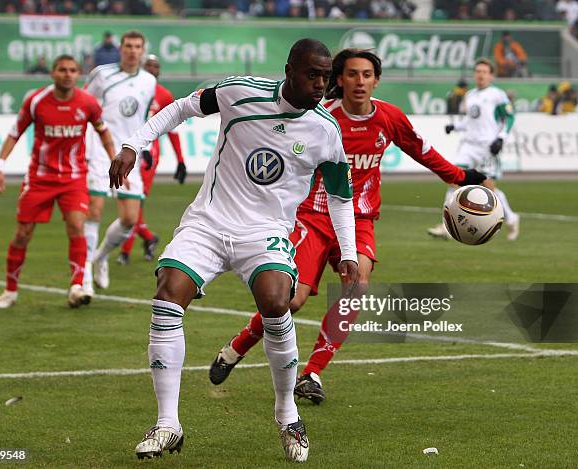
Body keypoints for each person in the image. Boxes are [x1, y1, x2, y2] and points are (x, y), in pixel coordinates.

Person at [109, 38, 359, 463]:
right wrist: (135, 143)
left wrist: (348, 253)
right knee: (167, 297)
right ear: (289, 70)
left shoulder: (325, 131)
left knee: (277, 302)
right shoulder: (239, 92)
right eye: (312, 74)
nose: (321, 84)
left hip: (265, 232)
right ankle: (168, 424)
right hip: (208, 221)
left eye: (325, 76)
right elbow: (182, 108)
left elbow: (339, 197)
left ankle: (287, 412)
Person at [207, 49, 486, 404]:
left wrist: (463, 178)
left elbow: (421, 150)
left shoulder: (389, 117)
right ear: (339, 79)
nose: (360, 82)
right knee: (292, 301)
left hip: (359, 218)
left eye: (367, 75)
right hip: (313, 215)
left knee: (356, 288)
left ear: (376, 80)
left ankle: (312, 373)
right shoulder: (322, 117)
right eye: (352, 74)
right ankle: (237, 346)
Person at [0, 55, 115, 309]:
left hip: (74, 178)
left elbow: (104, 132)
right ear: (52, 73)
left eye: (72, 70)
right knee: (23, 234)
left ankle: (77, 286)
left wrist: (115, 160)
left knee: (77, 226)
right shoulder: (36, 101)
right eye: (62, 70)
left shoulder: (88, 103)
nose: (67, 74)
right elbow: (15, 133)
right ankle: (10, 291)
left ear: (78, 74)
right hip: (40, 178)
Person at [82, 30, 157, 297]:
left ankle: (100, 257)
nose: (132, 51)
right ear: (120, 48)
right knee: (94, 211)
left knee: (129, 219)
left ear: (143, 49)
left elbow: (144, 117)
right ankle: (85, 277)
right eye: (128, 46)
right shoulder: (102, 74)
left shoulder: (149, 81)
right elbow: (84, 106)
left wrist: (143, 148)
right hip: (100, 150)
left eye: (137, 46)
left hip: (128, 152)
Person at [428, 58, 520, 241]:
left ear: (491, 75)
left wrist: (501, 139)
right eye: (478, 71)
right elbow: (470, 121)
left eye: (484, 72)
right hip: (469, 146)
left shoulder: (497, 94)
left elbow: (509, 118)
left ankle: (511, 217)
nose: (480, 75)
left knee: (489, 187)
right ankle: (447, 225)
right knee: (454, 180)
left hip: (487, 147)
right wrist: (456, 127)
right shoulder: (470, 95)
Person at [117, 54, 186, 265]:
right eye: (148, 65)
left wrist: (180, 160)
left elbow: (172, 130)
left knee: (136, 202)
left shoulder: (164, 95)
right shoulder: (129, 89)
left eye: (155, 66)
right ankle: (147, 238)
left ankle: (125, 252)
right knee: (130, 202)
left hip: (148, 155)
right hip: (126, 149)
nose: (152, 69)